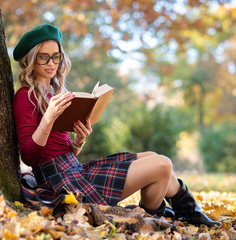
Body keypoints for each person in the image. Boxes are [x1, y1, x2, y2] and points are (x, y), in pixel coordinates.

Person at [12, 24, 221, 228]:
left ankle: (181, 213)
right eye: (43, 57)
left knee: (152, 156)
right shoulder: (25, 96)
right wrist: (48, 119)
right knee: (163, 164)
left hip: (74, 169)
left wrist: (78, 142)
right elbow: (29, 156)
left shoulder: (56, 91)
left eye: (56, 56)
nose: (51, 63)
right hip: (62, 182)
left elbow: (62, 151)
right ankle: (175, 213)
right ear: (31, 59)